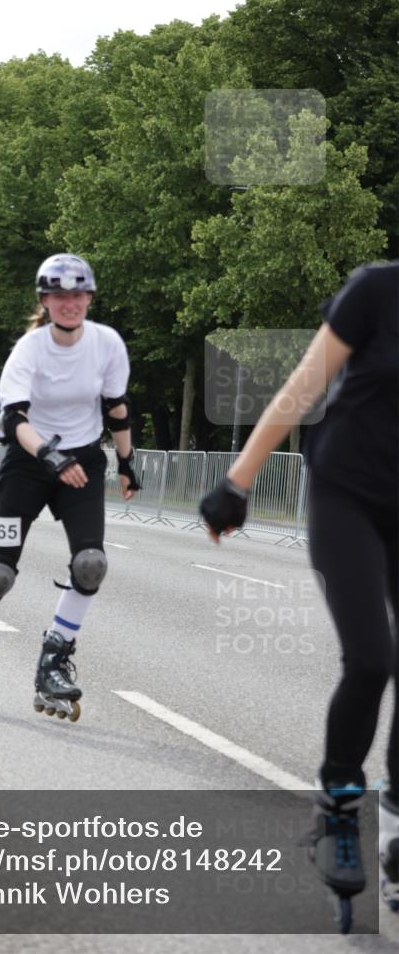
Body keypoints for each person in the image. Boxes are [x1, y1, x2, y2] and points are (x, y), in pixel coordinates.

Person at [199, 260, 398, 917]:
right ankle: (339, 808)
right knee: (370, 657)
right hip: (346, 492)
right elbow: (302, 385)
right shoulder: (375, 290)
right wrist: (237, 481)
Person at [0, 253, 140, 720]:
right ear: (45, 300)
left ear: (89, 298)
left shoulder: (107, 343)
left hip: (84, 462)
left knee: (91, 564)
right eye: (59, 295)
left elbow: (117, 407)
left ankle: (55, 657)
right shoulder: (30, 349)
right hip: (29, 463)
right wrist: (51, 456)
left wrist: (127, 462)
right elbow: (13, 418)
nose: (69, 303)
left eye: (77, 294)